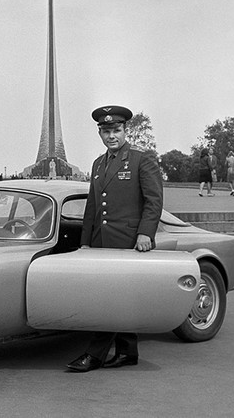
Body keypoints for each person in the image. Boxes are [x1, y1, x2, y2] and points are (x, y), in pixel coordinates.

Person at [66, 105, 163, 373]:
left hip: (129, 241)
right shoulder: (98, 164)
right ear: (100, 134)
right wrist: (86, 241)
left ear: (125, 131)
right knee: (117, 298)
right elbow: (93, 206)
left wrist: (145, 233)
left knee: (111, 299)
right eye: (106, 132)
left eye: (116, 130)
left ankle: (94, 355)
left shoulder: (142, 159)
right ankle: (127, 351)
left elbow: (154, 201)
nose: (112, 136)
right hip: (101, 242)